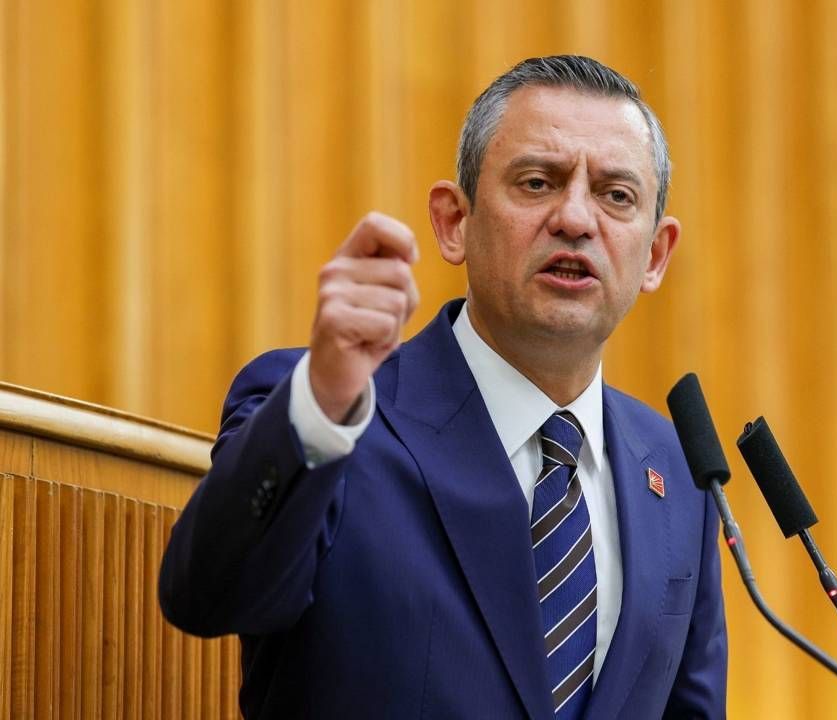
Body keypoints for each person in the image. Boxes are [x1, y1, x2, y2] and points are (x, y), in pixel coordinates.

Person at [158, 55, 727, 719]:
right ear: (455, 222)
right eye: (538, 182)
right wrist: (321, 401)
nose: (575, 218)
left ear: (654, 254)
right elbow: (207, 597)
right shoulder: (328, 413)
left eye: (616, 195)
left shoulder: (679, 473)